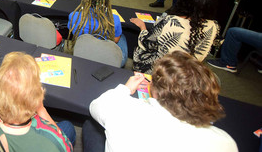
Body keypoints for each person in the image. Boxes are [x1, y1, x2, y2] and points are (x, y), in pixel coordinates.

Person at [83, 51, 237, 152]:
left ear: (155, 90)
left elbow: (95, 106)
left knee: (91, 126)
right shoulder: (226, 143)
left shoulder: (125, 111)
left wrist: (126, 89)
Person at [0, 52, 75, 152]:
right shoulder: (51, 144)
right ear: (35, 97)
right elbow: (66, 147)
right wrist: (41, 108)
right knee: (68, 127)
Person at [131, 0, 219, 74]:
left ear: (185, 1)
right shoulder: (214, 26)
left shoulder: (170, 21)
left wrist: (142, 26)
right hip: (189, 73)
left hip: (162, 71)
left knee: (139, 48)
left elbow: (146, 44)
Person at [67, 0, 128, 67]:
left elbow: (73, 32)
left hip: (82, 53)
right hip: (108, 61)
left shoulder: (74, 16)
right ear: (107, 1)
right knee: (122, 37)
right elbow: (115, 40)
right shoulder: (114, 20)